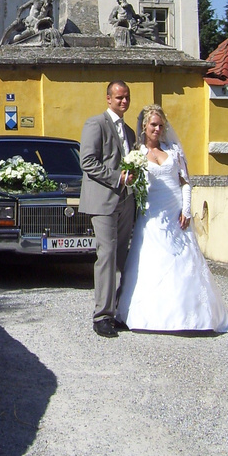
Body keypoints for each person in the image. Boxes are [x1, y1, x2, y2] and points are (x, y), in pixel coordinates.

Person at [116, 105, 228, 334]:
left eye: (160, 125)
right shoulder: (136, 154)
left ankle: (193, 314)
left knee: (185, 259)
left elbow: (185, 181)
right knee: (152, 261)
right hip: (152, 213)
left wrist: (186, 209)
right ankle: (151, 315)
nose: (157, 129)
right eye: (153, 124)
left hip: (175, 212)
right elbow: (130, 184)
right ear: (144, 126)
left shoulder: (173, 151)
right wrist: (128, 178)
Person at [79, 80, 137, 338]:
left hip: (126, 200)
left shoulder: (130, 131)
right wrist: (118, 178)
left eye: (126, 98)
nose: (123, 101)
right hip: (102, 201)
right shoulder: (96, 124)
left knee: (123, 256)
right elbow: (87, 161)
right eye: (118, 97)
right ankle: (101, 316)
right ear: (108, 98)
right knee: (108, 255)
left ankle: (119, 311)